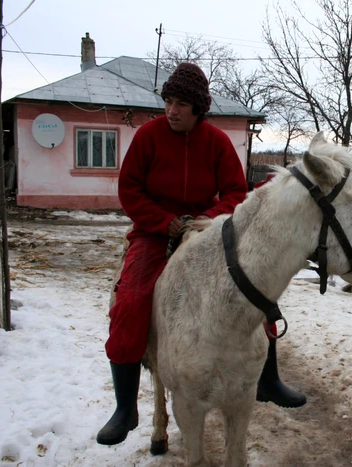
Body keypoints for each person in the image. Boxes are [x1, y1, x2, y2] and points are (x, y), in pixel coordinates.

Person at [96, 62, 302, 446]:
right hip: (154, 234)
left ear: (198, 109)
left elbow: (235, 193)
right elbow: (130, 192)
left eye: (181, 104)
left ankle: (268, 379)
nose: (172, 110)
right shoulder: (147, 137)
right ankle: (125, 408)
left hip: (207, 233)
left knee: (254, 291)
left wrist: (204, 221)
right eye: (168, 101)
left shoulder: (218, 143)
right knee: (131, 300)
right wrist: (166, 222)